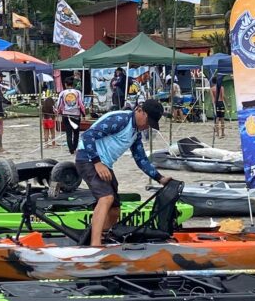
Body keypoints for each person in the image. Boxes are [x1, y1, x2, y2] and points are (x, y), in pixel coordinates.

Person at [75, 99, 172, 246]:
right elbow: (87, 136)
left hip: (104, 163)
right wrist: (97, 163)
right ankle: (95, 245)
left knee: (115, 209)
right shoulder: (120, 120)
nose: (147, 126)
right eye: (148, 121)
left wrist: (160, 178)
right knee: (106, 198)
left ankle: (103, 236)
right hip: (88, 159)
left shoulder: (135, 134)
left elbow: (141, 159)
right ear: (139, 110)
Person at [56, 77, 86, 154]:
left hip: (66, 115)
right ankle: (75, 147)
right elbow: (81, 104)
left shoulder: (62, 93)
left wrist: (58, 112)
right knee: (76, 133)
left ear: (65, 84)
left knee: (68, 133)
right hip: (76, 115)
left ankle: (71, 149)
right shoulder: (78, 92)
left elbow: (59, 104)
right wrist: (83, 114)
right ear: (72, 84)